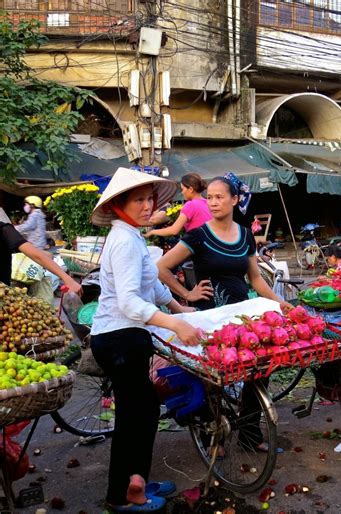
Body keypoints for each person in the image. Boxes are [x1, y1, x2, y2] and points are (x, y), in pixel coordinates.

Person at [89, 167, 202, 512]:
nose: (146, 205)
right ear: (119, 205)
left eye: (149, 198)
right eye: (138, 199)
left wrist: (178, 307)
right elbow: (128, 301)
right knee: (133, 416)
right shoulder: (123, 241)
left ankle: (136, 479)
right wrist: (174, 322)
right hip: (117, 339)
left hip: (129, 337)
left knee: (146, 409)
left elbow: (151, 283)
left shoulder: (133, 236)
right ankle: (121, 495)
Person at [158, 176, 291, 451]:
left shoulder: (245, 234)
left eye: (220, 197)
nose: (214, 202)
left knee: (260, 368)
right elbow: (160, 267)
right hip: (210, 316)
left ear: (234, 200)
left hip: (241, 314)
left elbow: (255, 278)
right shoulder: (197, 235)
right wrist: (187, 294)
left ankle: (249, 435)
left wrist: (280, 302)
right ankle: (212, 438)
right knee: (211, 380)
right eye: (210, 197)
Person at [0, 219, 81, 295]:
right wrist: (68, 279)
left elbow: (36, 255)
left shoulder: (4, 230)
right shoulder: (5, 230)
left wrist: (67, 279)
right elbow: (37, 256)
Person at [145, 173, 211, 238]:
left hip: (196, 243)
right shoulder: (208, 203)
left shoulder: (190, 205)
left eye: (183, 189)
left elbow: (174, 230)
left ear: (190, 189)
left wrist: (152, 232)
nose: (182, 192)